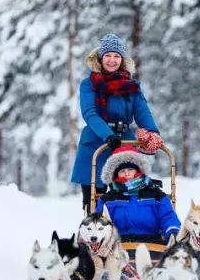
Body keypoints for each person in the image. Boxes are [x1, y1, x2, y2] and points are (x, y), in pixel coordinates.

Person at [70, 33, 165, 212]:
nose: (112, 60)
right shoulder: (89, 84)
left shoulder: (131, 85)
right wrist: (108, 135)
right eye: (108, 55)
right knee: (94, 201)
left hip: (124, 143)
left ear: (122, 59)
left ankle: (127, 234)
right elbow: (90, 113)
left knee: (125, 195)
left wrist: (153, 132)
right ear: (100, 58)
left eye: (116, 56)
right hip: (96, 143)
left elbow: (142, 111)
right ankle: (94, 235)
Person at [96, 146, 181, 244]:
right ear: (116, 175)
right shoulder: (107, 199)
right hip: (117, 245)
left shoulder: (155, 194)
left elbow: (167, 216)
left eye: (130, 169)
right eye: (122, 171)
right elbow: (98, 222)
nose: (126, 173)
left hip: (152, 242)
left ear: (138, 170)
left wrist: (172, 232)